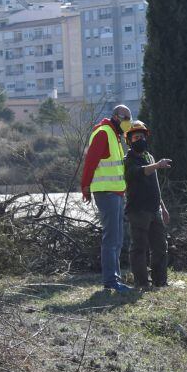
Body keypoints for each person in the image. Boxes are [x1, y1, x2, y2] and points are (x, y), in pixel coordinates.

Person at [81, 104, 133, 292]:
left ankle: (115, 279)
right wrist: (85, 187)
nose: (128, 122)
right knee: (111, 238)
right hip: (106, 193)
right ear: (116, 117)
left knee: (117, 238)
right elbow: (90, 162)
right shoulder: (104, 133)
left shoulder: (115, 136)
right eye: (126, 118)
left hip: (117, 193)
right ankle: (111, 281)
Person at [123, 120, 172, 288]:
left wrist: (163, 208)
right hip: (137, 211)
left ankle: (160, 282)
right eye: (136, 137)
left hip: (155, 210)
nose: (140, 139)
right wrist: (157, 165)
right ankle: (142, 283)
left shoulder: (149, 157)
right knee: (139, 248)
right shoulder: (128, 159)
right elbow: (138, 172)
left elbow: (155, 186)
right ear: (129, 140)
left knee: (160, 247)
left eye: (142, 136)